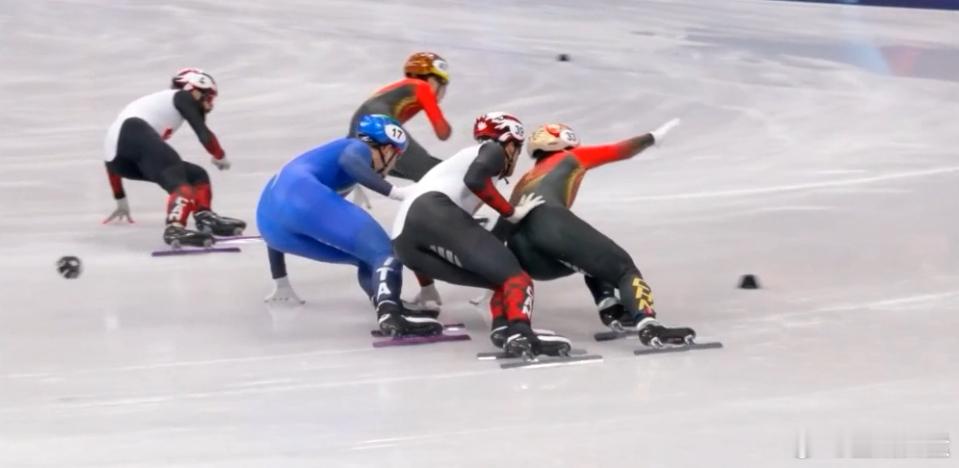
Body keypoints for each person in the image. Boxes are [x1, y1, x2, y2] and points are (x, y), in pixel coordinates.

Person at [489, 119, 696, 346]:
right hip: (549, 221)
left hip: (523, 249)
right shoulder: (569, 157)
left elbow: (503, 222)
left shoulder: (524, 179)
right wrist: (652, 138)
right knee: (624, 269)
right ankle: (649, 325)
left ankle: (610, 307)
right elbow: (618, 150)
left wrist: (492, 270)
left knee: (591, 261)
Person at [391, 112, 571, 357]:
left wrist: (427, 286)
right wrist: (511, 212)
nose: (516, 156)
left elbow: (425, 226)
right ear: (509, 143)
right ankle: (522, 334)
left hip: (404, 243)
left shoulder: (457, 168)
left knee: (500, 280)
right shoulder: (493, 150)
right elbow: (475, 179)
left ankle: (503, 329)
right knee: (518, 278)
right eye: (517, 149)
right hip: (432, 211)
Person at [256, 114, 442, 337]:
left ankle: (387, 306)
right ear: (386, 149)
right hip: (301, 197)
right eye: (396, 156)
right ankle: (391, 315)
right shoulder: (357, 146)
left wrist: (280, 279)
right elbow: (350, 159)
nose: (393, 165)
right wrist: (396, 192)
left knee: (366, 257)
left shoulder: (329, 164)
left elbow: (280, 207)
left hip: (271, 229)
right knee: (385, 252)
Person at [347, 51, 452, 311]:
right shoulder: (421, 87)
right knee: (438, 172)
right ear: (434, 79)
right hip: (380, 128)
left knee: (430, 176)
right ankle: (460, 216)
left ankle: (428, 285)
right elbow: (443, 132)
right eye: (443, 85)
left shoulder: (396, 89)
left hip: (360, 135)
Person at [102, 68, 245, 247]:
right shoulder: (182, 96)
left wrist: (120, 199)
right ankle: (175, 228)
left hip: (118, 161)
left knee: (197, 175)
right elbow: (203, 133)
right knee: (177, 177)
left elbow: (110, 155)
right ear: (194, 90)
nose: (210, 105)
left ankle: (204, 216)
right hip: (133, 132)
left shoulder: (158, 105)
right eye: (208, 97)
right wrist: (219, 155)